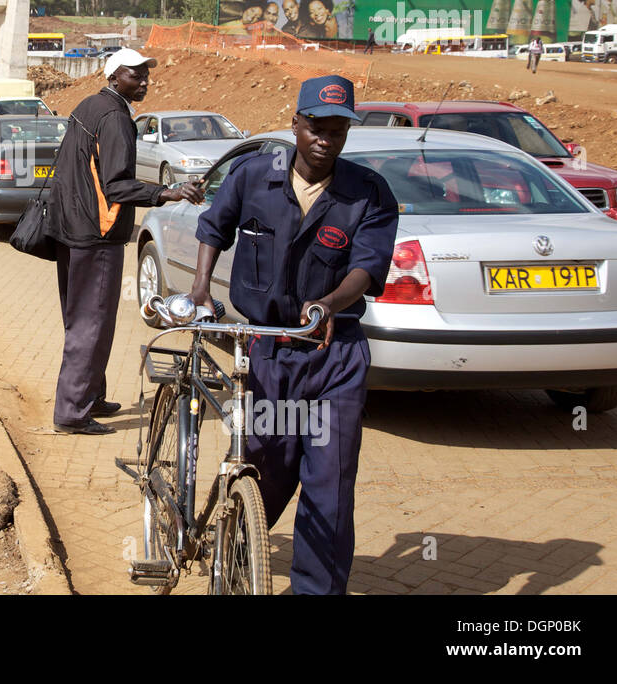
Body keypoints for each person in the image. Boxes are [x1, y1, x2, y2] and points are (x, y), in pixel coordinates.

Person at [185, 75, 397, 594]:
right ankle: (240, 550)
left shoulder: (367, 192)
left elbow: (367, 268)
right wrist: (198, 288)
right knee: (265, 472)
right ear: (296, 122)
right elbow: (215, 226)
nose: (326, 139)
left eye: (338, 130)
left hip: (334, 358)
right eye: (317, 127)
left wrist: (330, 304)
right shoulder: (254, 175)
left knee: (330, 487)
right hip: (265, 354)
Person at [45, 48, 203, 434]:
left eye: (147, 74)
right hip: (97, 236)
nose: (145, 81)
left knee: (83, 319)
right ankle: (72, 413)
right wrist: (168, 192)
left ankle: (90, 396)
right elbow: (116, 185)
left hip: (72, 231)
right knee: (92, 323)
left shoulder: (89, 105)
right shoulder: (115, 117)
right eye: (136, 75)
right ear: (115, 77)